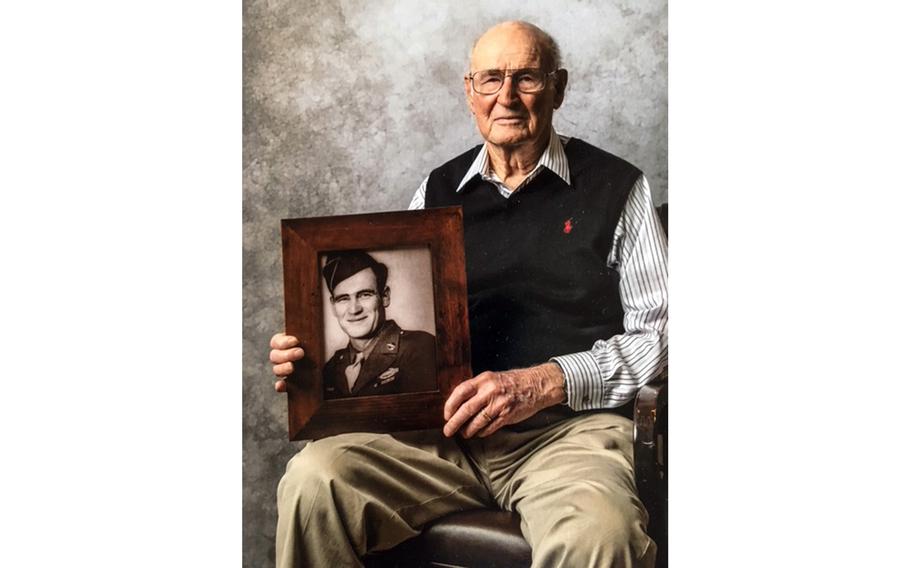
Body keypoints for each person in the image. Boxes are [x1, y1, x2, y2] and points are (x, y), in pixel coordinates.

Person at [269, 20, 667, 567]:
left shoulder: (619, 186)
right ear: (469, 91)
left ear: (559, 87)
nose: (506, 96)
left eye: (526, 78)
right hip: (444, 438)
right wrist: (311, 365)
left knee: (600, 532)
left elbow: (662, 337)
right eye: (490, 79)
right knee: (315, 482)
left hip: (568, 435)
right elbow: (394, 328)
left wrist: (546, 381)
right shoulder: (437, 192)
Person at [321, 250, 436, 398]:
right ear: (333, 306)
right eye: (343, 299)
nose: (354, 309)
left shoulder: (420, 348)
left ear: (385, 297)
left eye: (365, 295)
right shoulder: (331, 369)